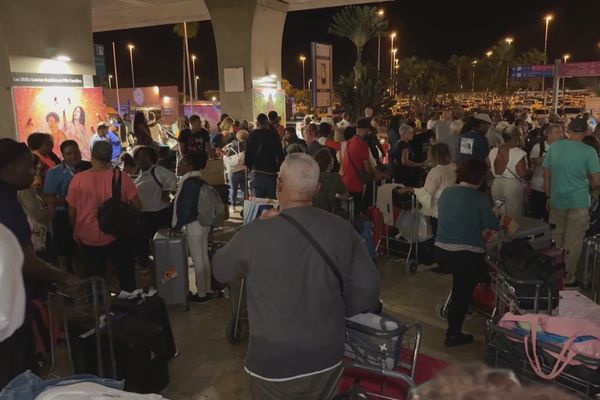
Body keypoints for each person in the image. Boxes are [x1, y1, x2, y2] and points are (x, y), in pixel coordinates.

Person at [213, 153, 380, 399]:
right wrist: (335, 313)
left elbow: (219, 270)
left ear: (279, 183)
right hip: (325, 355)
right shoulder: (342, 229)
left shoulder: (257, 233)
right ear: (317, 188)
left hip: (272, 363)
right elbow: (368, 290)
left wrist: (251, 226)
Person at [0, 139, 79, 387]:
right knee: (16, 382)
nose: (34, 171)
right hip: (7, 315)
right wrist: (64, 276)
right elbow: (25, 261)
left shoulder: (9, 196)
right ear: (10, 169)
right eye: (28, 166)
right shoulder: (6, 204)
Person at [435, 159, 500, 346]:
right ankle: (453, 333)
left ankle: (465, 306)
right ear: (481, 179)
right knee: (461, 293)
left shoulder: (447, 193)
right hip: (467, 255)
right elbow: (491, 225)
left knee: (461, 285)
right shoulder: (479, 199)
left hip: (441, 251)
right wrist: (494, 212)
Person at [66, 141, 141, 291]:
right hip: (117, 232)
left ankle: (99, 308)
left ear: (92, 155)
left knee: (94, 276)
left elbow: (72, 212)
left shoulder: (78, 180)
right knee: (125, 273)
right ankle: (130, 304)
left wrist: (76, 230)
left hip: (87, 234)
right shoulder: (121, 177)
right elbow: (138, 206)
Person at [544, 118, 600, 287]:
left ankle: (554, 273)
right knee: (573, 240)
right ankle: (567, 277)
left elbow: (547, 175)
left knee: (556, 237)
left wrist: (548, 196)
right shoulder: (589, 152)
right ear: (585, 133)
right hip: (579, 201)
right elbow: (597, 181)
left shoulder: (554, 148)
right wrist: (588, 184)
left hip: (557, 199)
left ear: (567, 131)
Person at [43, 140, 88, 272]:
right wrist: (69, 199)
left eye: (75, 152)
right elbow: (47, 197)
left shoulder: (89, 167)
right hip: (63, 216)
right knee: (69, 251)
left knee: (86, 251)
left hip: (86, 214)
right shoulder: (54, 173)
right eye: (69, 154)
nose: (73, 156)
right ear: (62, 155)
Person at [172, 152, 212, 303]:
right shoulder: (201, 181)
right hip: (204, 223)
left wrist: (177, 225)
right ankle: (207, 290)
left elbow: (186, 209)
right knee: (204, 257)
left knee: (197, 259)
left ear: (190, 166)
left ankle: (201, 294)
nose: (179, 166)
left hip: (193, 224)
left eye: (182, 163)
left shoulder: (188, 183)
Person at [133, 146, 177, 268]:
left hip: (159, 214)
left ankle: (167, 275)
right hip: (144, 215)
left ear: (151, 158)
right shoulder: (140, 174)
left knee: (162, 248)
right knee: (145, 247)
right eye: (138, 158)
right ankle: (150, 275)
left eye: (144, 157)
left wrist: (167, 192)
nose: (141, 160)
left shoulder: (157, 170)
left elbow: (172, 179)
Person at [400, 143, 456, 228]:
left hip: (439, 209)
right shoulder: (454, 167)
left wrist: (410, 189)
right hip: (452, 206)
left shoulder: (436, 171)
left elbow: (427, 194)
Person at [342, 118, 383, 215]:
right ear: (366, 129)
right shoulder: (362, 145)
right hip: (356, 183)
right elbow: (368, 168)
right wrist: (377, 176)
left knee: (349, 213)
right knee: (356, 213)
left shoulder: (349, 142)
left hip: (346, 181)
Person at [487, 129, 528, 217]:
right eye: (520, 136)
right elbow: (522, 173)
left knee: (499, 210)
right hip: (512, 187)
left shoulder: (493, 150)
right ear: (514, 137)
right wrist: (529, 170)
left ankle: (500, 228)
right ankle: (514, 230)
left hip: (496, 185)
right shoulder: (518, 153)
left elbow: (487, 165)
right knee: (514, 214)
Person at [244, 113, 284, 199]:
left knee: (259, 201)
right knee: (273, 201)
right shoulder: (273, 135)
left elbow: (247, 154)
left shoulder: (252, 135)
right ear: (267, 122)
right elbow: (280, 154)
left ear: (257, 123)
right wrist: (278, 168)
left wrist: (251, 167)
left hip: (256, 171)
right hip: (271, 172)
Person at [529, 124, 563, 221]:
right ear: (549, 135)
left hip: (555, 188)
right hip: (539, 187)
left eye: (561, 132)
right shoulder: (539, 146)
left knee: (552, 216)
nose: (561, 135)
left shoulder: (562, 147)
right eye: (557, 133)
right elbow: (535, 161)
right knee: (537, 214)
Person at [313, 148, 348, 213]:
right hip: (327, 213)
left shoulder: (310, 177)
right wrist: (336, 195)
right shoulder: (335, 178)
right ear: (329, 165)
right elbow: (345, 196)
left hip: (310, 213)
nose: (334, 160)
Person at [226, 130, 248, 211]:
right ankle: (245, 206)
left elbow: (228, 156)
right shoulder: (247, 145)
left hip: (233, 170)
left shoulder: (233, 145)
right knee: (244, 190)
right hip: (243, 169)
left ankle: (233, 206)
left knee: (233, 189)